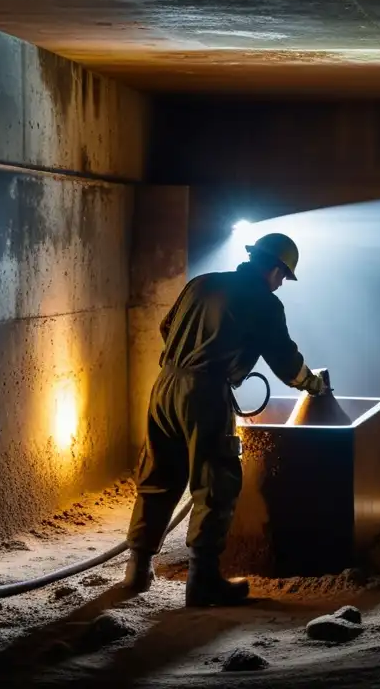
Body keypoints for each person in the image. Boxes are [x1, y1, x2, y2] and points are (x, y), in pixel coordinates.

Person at [123, 233, 330, 606]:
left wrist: (192, 356)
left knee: (158, 477)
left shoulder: (202, 283)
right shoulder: (265, 304)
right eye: (283, 276)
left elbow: (167, 328)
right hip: (204, 394)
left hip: (165, 385)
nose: (281, 283)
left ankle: (137, 570)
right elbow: (285, 361)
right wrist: (312, 383)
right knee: (215, 484)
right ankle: (203, 583)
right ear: (273, 268)